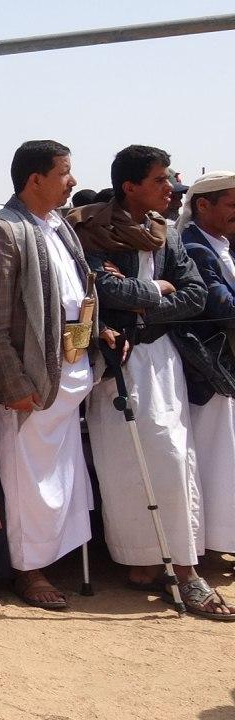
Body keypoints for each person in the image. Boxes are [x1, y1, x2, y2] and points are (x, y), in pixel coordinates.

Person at [69, 145, 231, 620]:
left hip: (162, 359)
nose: (169, 189)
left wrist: (142, 305)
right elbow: (100, 289)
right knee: (124, 464)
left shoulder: (167, 233)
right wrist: (156, 290)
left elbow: (195, 295)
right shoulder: (90, 229)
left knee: (173, 457)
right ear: (130, 186)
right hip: (116, 362)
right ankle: (141, 561)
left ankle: (184, 567)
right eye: (160, 180)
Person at [0, 140, 111, 610]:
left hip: (70, 373)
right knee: (28, 483)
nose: (72, 181)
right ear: (35, 179)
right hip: (31, 385)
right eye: (64, 172)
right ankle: (28, 570)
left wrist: (99, 332)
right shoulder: (8, 229)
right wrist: (14, 383)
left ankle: (55, 557)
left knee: (63, 478)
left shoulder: (60, 226)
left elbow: (76, 294)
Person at [177, 172, 235, 560]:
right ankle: (215, 543)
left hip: (224, 369)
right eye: (232, 204)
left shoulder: (221, 245)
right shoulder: (195, 248)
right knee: (216, 458)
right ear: (203, 205)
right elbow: (221, 307)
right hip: (210, 371)